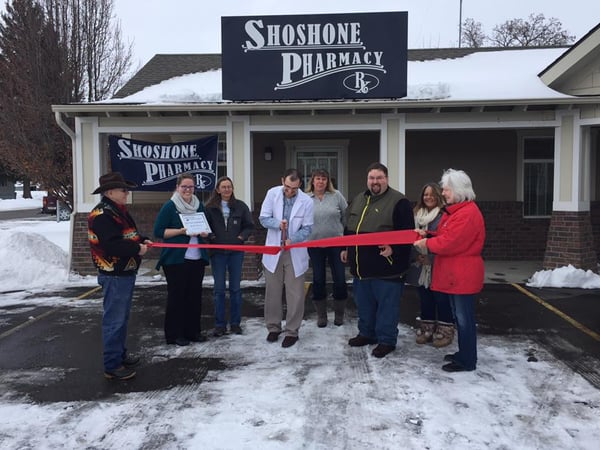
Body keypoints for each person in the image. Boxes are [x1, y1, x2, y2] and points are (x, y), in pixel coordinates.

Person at [414, 169, 485, 372]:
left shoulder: (467, 214)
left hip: (462, 274)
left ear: (457, 190)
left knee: (464, 319)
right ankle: (464, 353)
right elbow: (444, 233)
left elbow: (450, 242)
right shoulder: (457, 211)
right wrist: (427, 232)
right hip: (455, 274)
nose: (443, 193)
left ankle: (468, 360)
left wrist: (427, 242)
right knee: (459, 317)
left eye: (446, 190)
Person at [341, 162, 414, 358]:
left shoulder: (399, 201)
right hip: (361, 267)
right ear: (367, 180)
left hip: (387, 269)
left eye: (379, 178)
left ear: (386, 179)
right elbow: (349, 228)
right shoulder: (359, 199)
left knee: (386, 308)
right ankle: (367, 334)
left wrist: (394, 249)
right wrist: (344, 247)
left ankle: (386, 340)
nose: (375, 182)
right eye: (372, 178)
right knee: (364, 305)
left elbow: (408, 234)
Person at [88, 172, 152, 381]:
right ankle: (112, 365)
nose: (127, 193)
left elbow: (129, 235)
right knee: (114, 320)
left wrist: (143, 240)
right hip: (114, 274)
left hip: (125, 273)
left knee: (121, 318)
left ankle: (119, 355)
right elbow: (112, 244)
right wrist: (137, 248)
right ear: (110, 192)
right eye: (123, 189)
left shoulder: (118, 211)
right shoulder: (102, 215)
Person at [153, 172, 210, 347]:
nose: (187, 190)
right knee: (177, 297)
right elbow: (159, 231)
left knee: (194, 297)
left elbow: (205, 227)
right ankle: (174, 334)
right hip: (176, 260)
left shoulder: (199, 205)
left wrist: (204, 232)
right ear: (177, 188)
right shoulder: (170, 206)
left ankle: (193, 332)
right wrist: (181, 231)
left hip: (196, 258)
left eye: (191, 187)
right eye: (184, 186)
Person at [259, 168, 313, 348]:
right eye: (288, 187)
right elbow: (263, 218)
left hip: (294, 251)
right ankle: (273, 328)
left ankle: (292, 331)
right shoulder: (272, 194)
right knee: (272, 292)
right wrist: (277, 224)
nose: (290, 191)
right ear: (283, 181)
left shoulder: (306, 201)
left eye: (294, 189)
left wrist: (293, 239)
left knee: (295, 293)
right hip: (274, 250)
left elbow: (307, 228)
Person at [205, 176, 255, 336]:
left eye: (229, 187)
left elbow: (249, 226)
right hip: (218, 253)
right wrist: (211, 238)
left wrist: (241, 238)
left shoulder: (240, 207)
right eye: (224, 187)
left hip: (235, 252)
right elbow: (204, 226)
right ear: (218, 190)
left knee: (235, 289)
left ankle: (235, 323)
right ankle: (220, 324)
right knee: (219, 290)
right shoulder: (210, 208)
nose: (227, 189)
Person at [409, 182, 454, 347]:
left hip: (438, 264)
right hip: (420, 265)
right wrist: (417, 258)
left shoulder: (444, 216)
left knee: (441, 298)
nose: (429, 197)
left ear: (439, 196)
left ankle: (445, 329)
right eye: (425, 194)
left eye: (432, 194)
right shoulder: (415, 215)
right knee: (424, 297)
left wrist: (432, 258)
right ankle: (427, 327)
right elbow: (410, 239)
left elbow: (447, 241)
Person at [305, 168, 348, 327]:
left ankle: (339, 314)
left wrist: (344, 244)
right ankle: (321, 315)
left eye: (324, 179)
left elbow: (346, 218)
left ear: (328, 181)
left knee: (340, 280)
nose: (321, 181)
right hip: (315, 245)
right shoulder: (305, 198)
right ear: (312, 181)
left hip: (336, 244)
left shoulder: (337, 196)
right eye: (318, 178)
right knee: (318, 279)